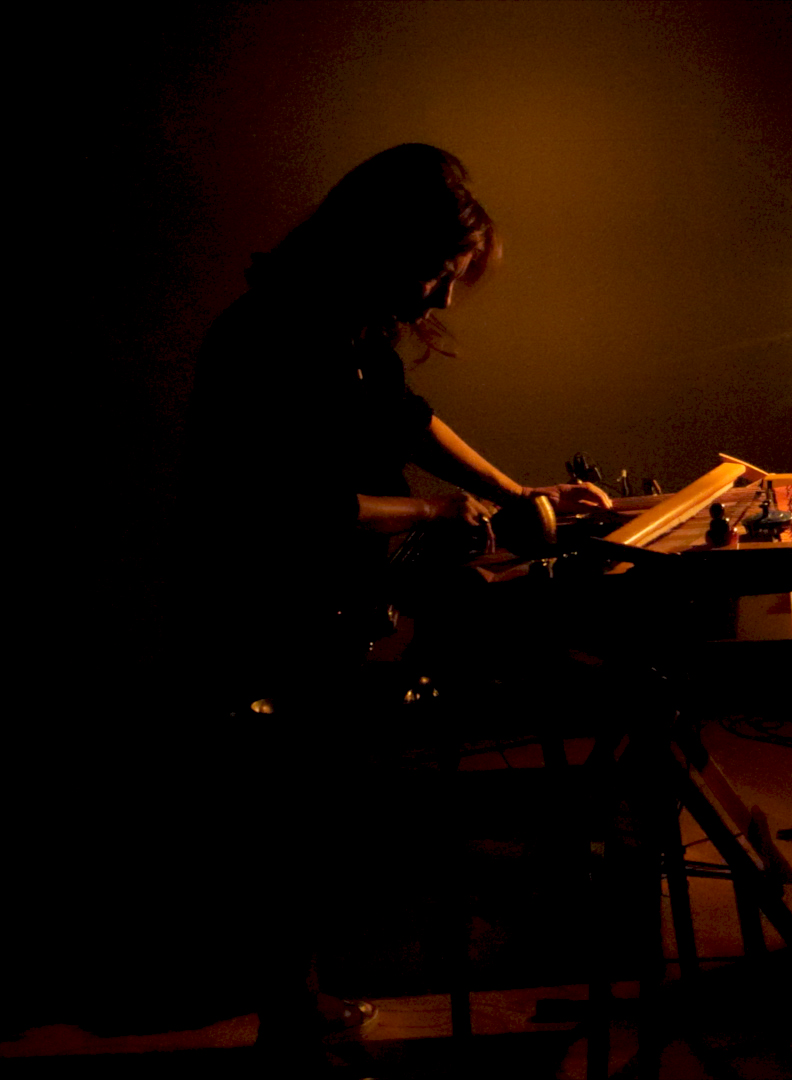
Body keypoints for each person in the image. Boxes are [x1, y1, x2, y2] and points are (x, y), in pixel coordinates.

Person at [183, 143, 609, 1068]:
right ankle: (291, 1012)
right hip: (268, 608)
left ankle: (298, 997)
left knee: (316, 801)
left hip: (320, 593)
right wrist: (429, 513)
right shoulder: (273, 338)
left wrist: (513, 493)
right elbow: (291, 508)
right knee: (298, 809)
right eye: (436, 272)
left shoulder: (344, 326)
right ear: (382, 249)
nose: (445, 296)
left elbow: (405, 420)